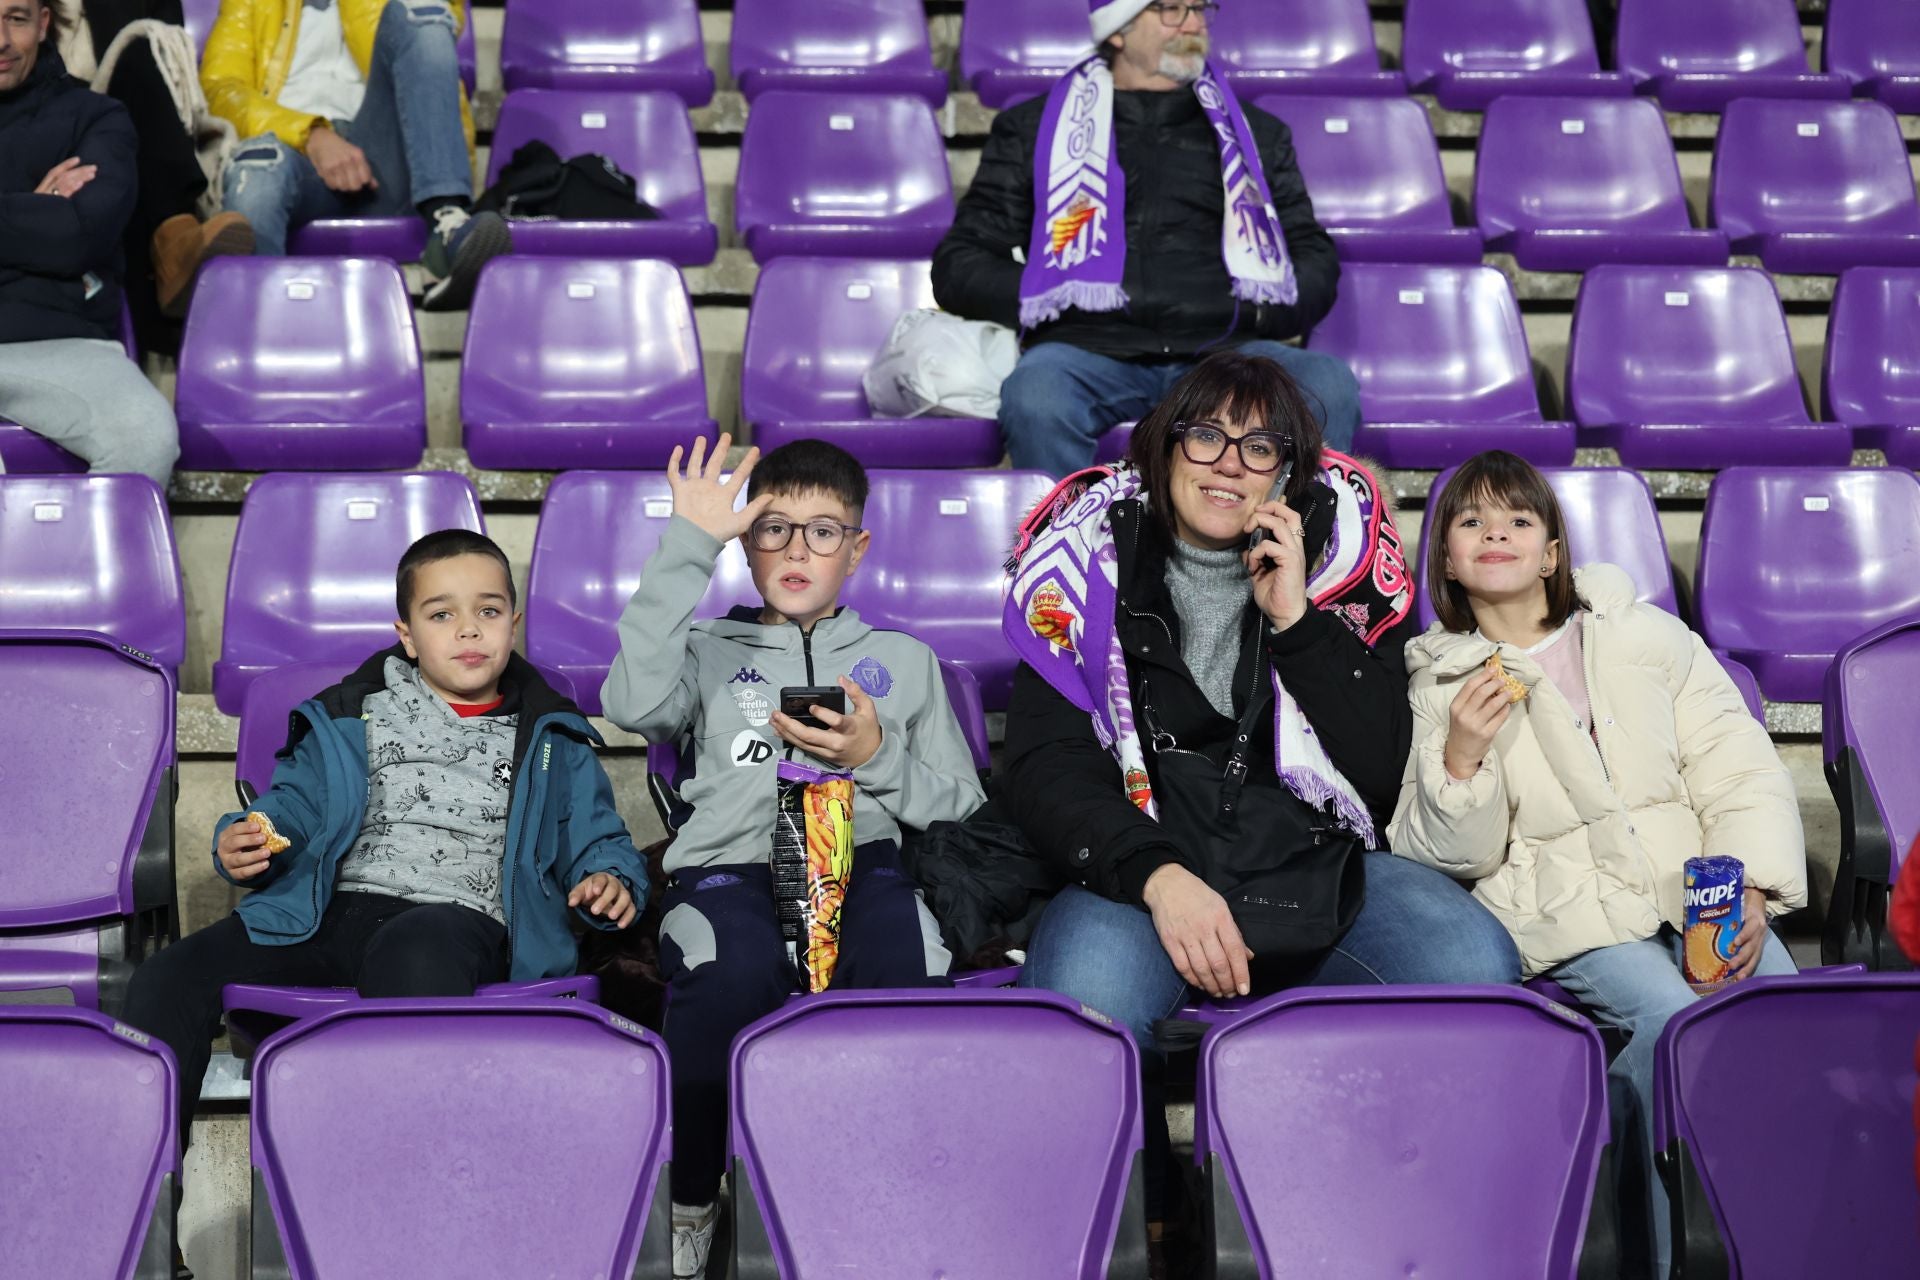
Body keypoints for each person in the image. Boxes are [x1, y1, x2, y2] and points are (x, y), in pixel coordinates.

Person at [998, 351, 1519, 1262]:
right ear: (1164, 451)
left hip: (1307, 861)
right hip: (1143, 871)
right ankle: (1151, 1225)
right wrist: (1159, 877)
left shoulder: (1334, 572)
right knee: (1080, 1008)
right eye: (1207, 436)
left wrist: (1297, 621)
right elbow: (1045, 768)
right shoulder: (1081, 570)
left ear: (1286, 472)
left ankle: (1369, 1220)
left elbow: (1385, 768)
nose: (1229, 463)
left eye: (1258, 445)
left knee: (1473, 963)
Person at [1388, 450, 1808, 1276]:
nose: (1494, 532)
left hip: (1701, 886)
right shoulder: (1437, 684)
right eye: (1470, 521)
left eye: (1518, 519)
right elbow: (1440, 853)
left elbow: (1734, 761)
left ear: (1552, 553)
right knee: (1672, 1026)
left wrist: (1753, 881)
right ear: (1445, 558)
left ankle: (1788, 1241)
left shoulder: (1643, 634)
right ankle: (1667, 1256)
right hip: (1571, 909)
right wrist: (1464, 760)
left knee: (1782, 1023)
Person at [123, 529, 647, 1154]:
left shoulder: (553, 738)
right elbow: (293, 803)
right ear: (406, 634)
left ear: (514, 622)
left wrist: (609, 877)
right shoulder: (352, 713)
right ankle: (141, 1225)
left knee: (416, 953)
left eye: (488, 610)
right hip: (321, 913)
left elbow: (597, 838)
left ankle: (402, 1202)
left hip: (456, 920)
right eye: (441, 614)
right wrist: (253, 836)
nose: (469, 630)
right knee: (166, 978)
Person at [601, 436, 985, 1280]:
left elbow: (964, 807)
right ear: (745, 541)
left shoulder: (906, 663)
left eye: (823, 531)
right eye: (773, 529)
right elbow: (627, 700)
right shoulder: (704, 653)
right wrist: (687, 543)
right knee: (729, 973)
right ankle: (695, 1197)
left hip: (865, 870)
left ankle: (883, 1196)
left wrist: (874, 756)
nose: (797, 551)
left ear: (859, 547)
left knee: (900, 965)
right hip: (726, 874)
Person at [932, 0, 1358, 477]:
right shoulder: (1034, 132)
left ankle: (1295, 543)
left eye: (1200, 8)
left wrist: (1255, 308)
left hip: (1226, 349)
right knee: (1037, 394)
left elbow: (1311, 252)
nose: (1193, 24)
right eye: (1171, 9)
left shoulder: (1256, 135)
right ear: (1117, 31)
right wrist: (1055, 298)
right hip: (1091, 349)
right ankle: (1060, 545)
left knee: (1328, 384)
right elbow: (960, 262)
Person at [201, 0, 506, 310]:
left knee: (422, 12)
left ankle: (446, 223)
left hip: (387, 158)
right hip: (295, 160)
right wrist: (312, 134)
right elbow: (220, 90)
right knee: (258, 164)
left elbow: (446, 15)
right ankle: (256, 331)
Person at [0, 0, 179, 484]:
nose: (0, 40)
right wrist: (35, 208)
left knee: (145, 435)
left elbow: (80, 235)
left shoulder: (96, 117)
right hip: (45, 303)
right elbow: (54, 233)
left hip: (58, 340)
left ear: (42, 22)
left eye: (14, 19)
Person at [56, 0, 253, 328]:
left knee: (141, 52)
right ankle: (173, 241)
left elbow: (169, 61)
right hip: (43, 123)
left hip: (132, 132)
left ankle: (175, 241)